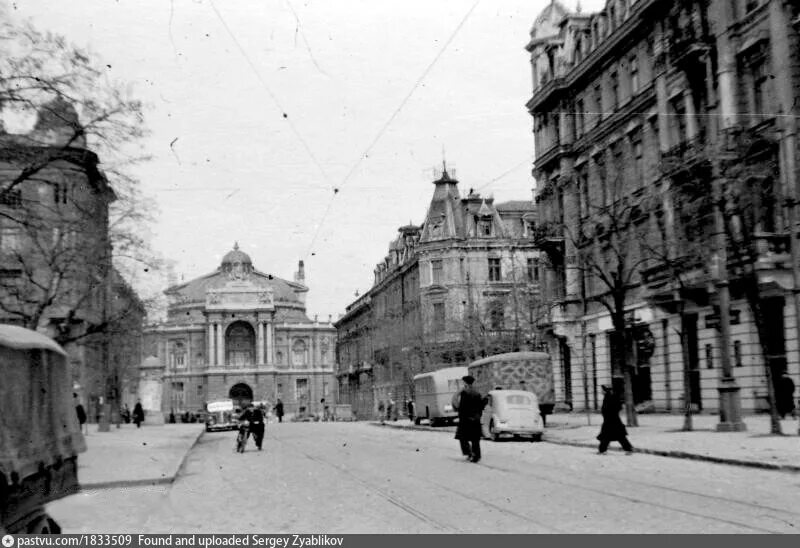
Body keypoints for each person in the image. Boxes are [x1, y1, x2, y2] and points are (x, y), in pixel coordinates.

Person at [452, 375, 485, 463]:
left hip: (466, 419)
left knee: (463, 438)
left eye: (463, 382)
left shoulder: (464, 392)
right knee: (475, 439)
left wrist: (459, 410)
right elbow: (480, 405)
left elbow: (461, 406)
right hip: (475, 419)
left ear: (466, 382)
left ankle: (470, 453)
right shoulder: (477, 392)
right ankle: (476, 455)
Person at [597, 385, 633, 454]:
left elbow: (615, 408)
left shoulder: (609, 397)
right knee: (615, 436)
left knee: (613, 436)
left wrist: (609, 414)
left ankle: (602, 450)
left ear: (605, 391)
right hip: (611, 420)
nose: (601, 391)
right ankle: (602, 450)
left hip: (611, 420)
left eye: (602, 390)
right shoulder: (608, 397)